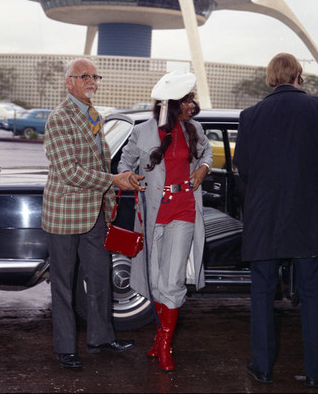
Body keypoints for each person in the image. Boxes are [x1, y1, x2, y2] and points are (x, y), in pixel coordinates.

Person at [233, 53, 318, 388]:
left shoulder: (250, 115)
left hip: (265, 217)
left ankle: (263, 367)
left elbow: (244, 167)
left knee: (262, 292)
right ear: (299, 74)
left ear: (271, 77)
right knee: (312, 290)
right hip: (310, 215)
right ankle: (317, 371)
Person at [42, 58, 144, 369]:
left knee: (100, 277)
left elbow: (102, 162)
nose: (92, 81)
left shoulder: (94, 115)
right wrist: (113, 181)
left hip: (95, 214)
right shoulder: (59, 119)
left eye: (95, 76)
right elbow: (69, 171)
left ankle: (101, 337)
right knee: (63, 282)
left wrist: (109, 204)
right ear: (69, 82)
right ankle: (65, 347)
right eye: (84, 76)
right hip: (64, 213)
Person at [118, 68, 212, 372]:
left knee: (172, 281)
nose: (192, 105)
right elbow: (124, 163)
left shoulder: (194, 129)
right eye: (187, 101)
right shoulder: (141, 132)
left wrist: (203, 169)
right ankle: (160, 338)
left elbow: (207, 153)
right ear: (172, 104)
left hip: (184, 211)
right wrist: (129, 178)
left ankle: (165, 347)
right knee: (154, 281)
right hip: (152, 215)